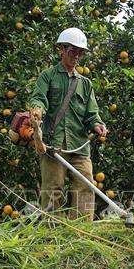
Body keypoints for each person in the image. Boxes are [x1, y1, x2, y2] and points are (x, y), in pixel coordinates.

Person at [28, 27, 107, 221]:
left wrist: (97, 124)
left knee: (86, 186)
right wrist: (37, 111)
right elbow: (38, 98)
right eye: (73, 51)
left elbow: (91, 114)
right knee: (53, 191)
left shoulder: (85, 84)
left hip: (79, 144)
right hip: (54, 144)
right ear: (61, 50)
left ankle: (81, 234)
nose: (77, 56)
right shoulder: (48, 76)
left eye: (80, 53)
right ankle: (51, 236)